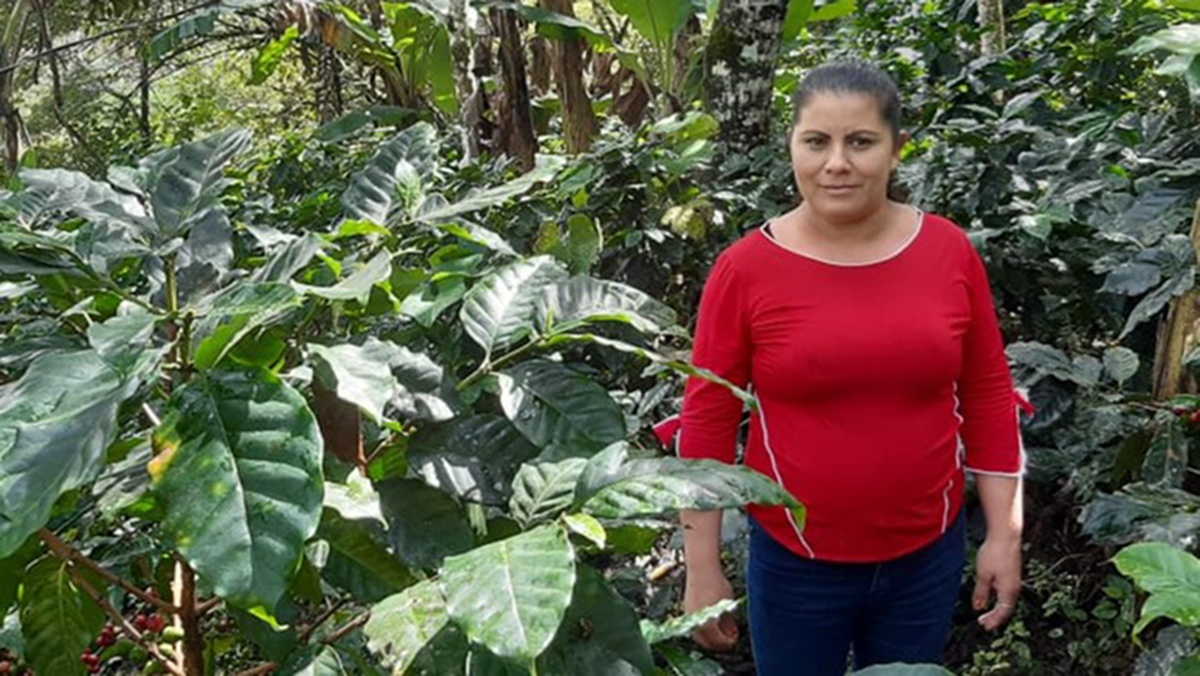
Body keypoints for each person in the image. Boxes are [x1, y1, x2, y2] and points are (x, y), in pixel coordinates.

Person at [676, 61, 1025, 675]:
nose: (836, 163)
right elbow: (708, 421)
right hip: (794, 561)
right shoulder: (745, 269)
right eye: (816, 142)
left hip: (928, 555)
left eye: (861, 142)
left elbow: (989, 394)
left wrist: (1004, 534)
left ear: (897, 149)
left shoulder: (948, 250)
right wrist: (701, 566)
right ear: (792, 146)